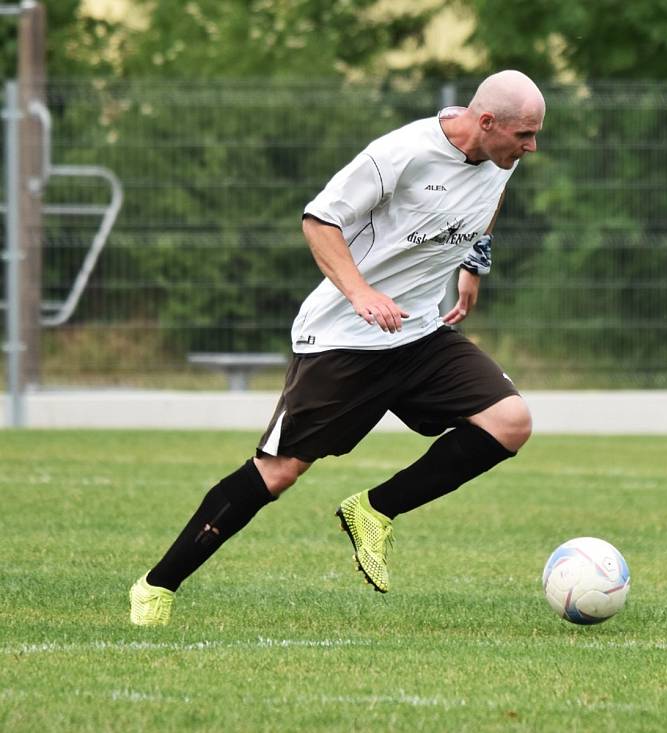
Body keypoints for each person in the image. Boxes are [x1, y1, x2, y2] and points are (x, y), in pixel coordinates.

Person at [129, 69, 546, 626]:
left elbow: (485, 206)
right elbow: (319, 220)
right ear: (486, 122)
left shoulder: (500, 160)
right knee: (277, 473)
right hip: (343, 338)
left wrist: (473, 263)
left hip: (418, 332)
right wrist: (361, 294)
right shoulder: (400, 154)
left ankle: (375, 510)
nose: (532, 146)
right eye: (524, 135)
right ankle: (157, 586)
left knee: (510, 421)